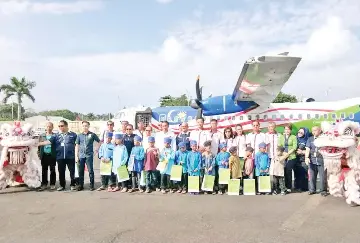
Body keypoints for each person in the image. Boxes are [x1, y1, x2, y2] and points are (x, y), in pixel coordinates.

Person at [38, 120, 77, 192]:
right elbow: (48, 142)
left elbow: (77, 144)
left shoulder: (73, 135)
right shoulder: (56, 136)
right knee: (61, 172)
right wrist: (38, 144)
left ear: (66, 126)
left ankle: (73, 185)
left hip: (70, 156)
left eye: (62, 126)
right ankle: (62, 185)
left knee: (72, 172)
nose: (60, 127)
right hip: (60, 157)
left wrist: (77, 155)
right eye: (59, 126)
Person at [75, 121, 100, 191]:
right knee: (81, 171)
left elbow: (99, 142)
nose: (84, 127)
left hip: (89, 155)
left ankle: (91, 185)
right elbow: (77, 145)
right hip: (81, 155)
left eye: (86, 126)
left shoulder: (92, 135)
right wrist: (76, 156)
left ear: (88, 126)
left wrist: (96, 150)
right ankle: (81, 185)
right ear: (82, 126)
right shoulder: (79, 135)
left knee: (90, 171)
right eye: (83, 126)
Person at [305, 126, 327, 196]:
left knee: (322, 177)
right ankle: (312, 190)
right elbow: (307, 149)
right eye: (312, 131)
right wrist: (306, 157)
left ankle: (323, 190)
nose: (313, 132)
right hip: (312, 161)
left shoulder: (324, 139)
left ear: (320, 130)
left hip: (321, 161)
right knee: (312, 177)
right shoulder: (310, 139)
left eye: (315, 130)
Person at [278, 124, 298, 193]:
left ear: (291, 130)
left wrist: (288, 154)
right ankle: (283, 186)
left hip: (291, 156)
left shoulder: (293, 137)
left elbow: (294, 147)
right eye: (286, 129)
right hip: (283, 156)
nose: (287, 131)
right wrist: (283, 154)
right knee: (283, 172)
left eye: (288, 129)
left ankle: (289, 187)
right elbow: (279, 146)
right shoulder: (281, 137)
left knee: (288, 171)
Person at [38, 122, 57, 191]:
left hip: (52, 155)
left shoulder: (55, 136)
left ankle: (52, 184)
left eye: (50, 127)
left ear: (52, 127)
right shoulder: (42, 136)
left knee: (52, 170)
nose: (49, 128)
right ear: (45, 127)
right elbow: (39, 146)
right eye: (47, 127)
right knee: (44, 170)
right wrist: (39, 154)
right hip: (44, 155)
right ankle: (44, 184)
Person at [295, 127, 311, 192]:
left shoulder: (307, 140)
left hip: (303, 160)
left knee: (304, 173)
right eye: (299, 132)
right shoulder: (295, 139)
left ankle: (304, 187)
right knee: (297, 174)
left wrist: (302, 152)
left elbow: (309, 150)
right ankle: (297, 187)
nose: (299, 133)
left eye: (301, 133)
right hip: (296, 159)